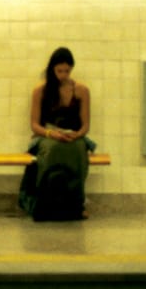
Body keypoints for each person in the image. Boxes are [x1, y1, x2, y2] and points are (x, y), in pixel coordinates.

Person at [19, 47, 95, 221]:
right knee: (52, 151)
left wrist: (77, 135)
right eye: (59, 71)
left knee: (77, 151)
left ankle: (75, 204)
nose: (63, 75)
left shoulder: (81, 91)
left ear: (71, 69)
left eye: (67, 71)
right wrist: (51, 133)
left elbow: (85, 125)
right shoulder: (41, 91)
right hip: (47, 135)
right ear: (52, 69)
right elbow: (34, 125)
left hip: (72, 136)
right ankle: (46, 202)